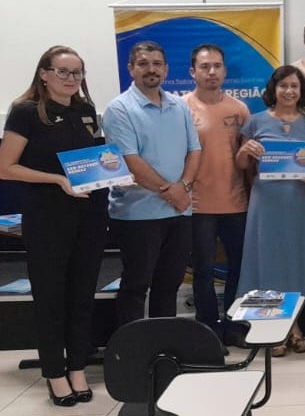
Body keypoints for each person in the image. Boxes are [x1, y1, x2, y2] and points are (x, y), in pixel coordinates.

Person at [0, 46, 108, 405]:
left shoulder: (85, 110)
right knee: (51, 299)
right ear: (44, 74)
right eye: (63, 72)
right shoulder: (26, 112)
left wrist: (113, 173)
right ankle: (55, 373)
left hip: (89, 216)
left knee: (82, 296)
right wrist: (57, 180)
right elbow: (6, 168)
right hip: (47, 219)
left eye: (78, 72)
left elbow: (92, 161)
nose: (72, 79)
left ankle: (77, 368)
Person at [102, 42, 201, 326]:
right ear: (131, 68)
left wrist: (184, 186)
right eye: (143, 63)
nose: (151, 69)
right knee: (136, 286)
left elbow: (194, 150)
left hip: (179, 212)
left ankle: (162, 346)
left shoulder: (179, 106)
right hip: (138, 215)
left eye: (157, 64)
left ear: (166, 69)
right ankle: (130, 349)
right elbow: (130, 161)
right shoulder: (119, 109)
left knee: (168, 286)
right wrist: (173, 193)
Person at [235, 65, 305, 356]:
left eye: (294, 86)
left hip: (300, 202)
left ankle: (294, 326)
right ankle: (274, 330)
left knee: (296, 264)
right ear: (273, 89)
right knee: (269, 265)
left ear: (301, 92)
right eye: (283, 86)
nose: (289, 91)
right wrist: (244, 152)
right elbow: (241, 165)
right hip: (267, 203)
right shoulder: (255, 121)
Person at [182, 44, 250, 340]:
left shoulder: (239, 109)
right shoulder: (181, 108)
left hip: (236, 202)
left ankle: (235, 325)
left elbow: (248, 159)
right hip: (198, 205)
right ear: (192, 72)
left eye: (217, 66)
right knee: (203, 270)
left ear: (224, 70)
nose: (212, 72)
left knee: (240, 267)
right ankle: (208, 329)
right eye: (205, 66)